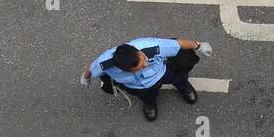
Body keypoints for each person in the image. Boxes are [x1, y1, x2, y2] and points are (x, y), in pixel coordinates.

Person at [81, 37, 213, 122]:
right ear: (125, 69)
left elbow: (178, 44)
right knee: (147, 96)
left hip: (162, 72)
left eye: (143, 59)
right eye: (139, 67)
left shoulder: (151, 46)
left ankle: (183, 87)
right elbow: (92, 69)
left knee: (179, 78)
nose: (145, 64)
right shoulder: (105, 64)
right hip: (138, 87)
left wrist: (198, 45)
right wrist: (86, 78)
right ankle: (149, 104)